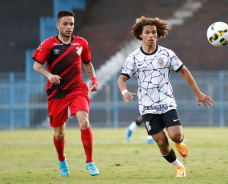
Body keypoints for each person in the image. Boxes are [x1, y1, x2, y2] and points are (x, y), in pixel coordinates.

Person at [117, 16, 213, 177]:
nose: (151, 35)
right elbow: (122, 78)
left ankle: (179, 143)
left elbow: (184, 70)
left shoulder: (167, 54)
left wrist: (198, 93)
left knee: (176, 135)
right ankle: (179, 167)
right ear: (140, 35)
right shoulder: (133, 58)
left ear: (158, 34)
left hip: (167, 101)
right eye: (147, 32)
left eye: (153, 32)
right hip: (147, 106)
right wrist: (124, 91)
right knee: (161, 141)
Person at [33, 10, 99, 177]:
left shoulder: (81, 43)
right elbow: (37, 65)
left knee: (84, 121)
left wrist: (94, 80)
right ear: (58, 25)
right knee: (59, 134)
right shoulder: (48, 44)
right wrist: (49, 75)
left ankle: (90, 162)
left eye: (71, 24)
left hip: (77, 89)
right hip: (57, 93)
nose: (69, 27)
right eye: (65, 24)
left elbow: (88, 63)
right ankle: (62, 159)